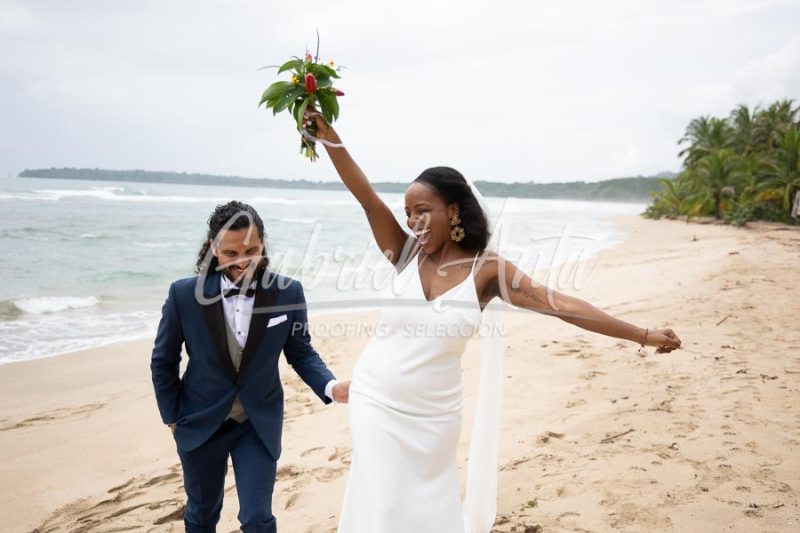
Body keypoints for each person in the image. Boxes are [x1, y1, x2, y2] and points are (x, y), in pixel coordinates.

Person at [301, 109, 682, 533]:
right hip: (375, 398)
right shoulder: (405, 254)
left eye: (422, 210)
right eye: (407, 213)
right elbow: (366, 197)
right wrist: (330, 137)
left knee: (423, 508)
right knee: (383, 503)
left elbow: (560, 304)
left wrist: (642, 335)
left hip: (434, 416)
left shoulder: (488, 271)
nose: (412, 222)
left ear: (455, 210)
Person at [150, 200, 349, 533]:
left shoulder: (289, 292)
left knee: (257, 518)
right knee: (201, 515)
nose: (242, 262)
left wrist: (331, 386)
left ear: (262, 244)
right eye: (230, 254)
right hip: (199, 422)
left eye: (251, 251)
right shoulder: (184, 294)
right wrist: (171, 416)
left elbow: (300, 352)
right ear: (214, 248)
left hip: (256, 423)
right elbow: (163, 360)